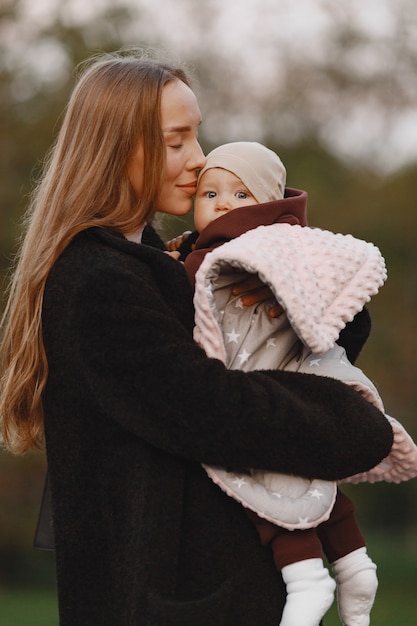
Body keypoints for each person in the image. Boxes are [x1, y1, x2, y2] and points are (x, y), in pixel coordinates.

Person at [0, 50, 395, 626]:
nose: (199, 161)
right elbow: (210, 408)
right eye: (175, 141)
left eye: (196, 137)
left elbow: (257, 359)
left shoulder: (159, 264)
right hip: (166, 603)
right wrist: (354, 423)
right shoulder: (95, 279)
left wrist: (297, 302)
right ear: (118, 149)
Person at [183, 141, 417, 626]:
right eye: (210, 193)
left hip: (272, 382)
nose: (224, 204)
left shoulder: (262, 248)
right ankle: (353, 561)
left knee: (267, 477)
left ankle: (305, 576)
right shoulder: (210, 250)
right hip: (296, 383)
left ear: (269, 202)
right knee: (306, 477)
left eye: (241, 194)